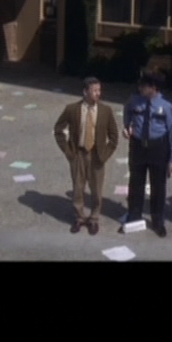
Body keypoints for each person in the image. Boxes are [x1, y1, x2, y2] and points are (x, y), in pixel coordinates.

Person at [54, 76, 119, 235]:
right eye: (94, 90)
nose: (98, 93)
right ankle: (79, 218)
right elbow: (58, 129)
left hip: (97, 156)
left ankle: (94, 219)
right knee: (78, 188)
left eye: (99, 90)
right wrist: (68, 151)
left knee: (96, 190)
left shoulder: (105, 111)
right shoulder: (72, 109)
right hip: (78, 154)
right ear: (85, 92)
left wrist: (105, 155)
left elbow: (114, 136)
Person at [121, 71, 172, 237]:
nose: (140, 88)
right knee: (136, 183)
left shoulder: (167, 105)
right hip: (138, 146)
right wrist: (127, 126)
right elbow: (127, 111)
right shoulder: (134, 100)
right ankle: (134, 215)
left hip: (158, 148)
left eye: (144, 86)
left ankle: (157, 220)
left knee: (158, 186)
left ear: (153, 87)